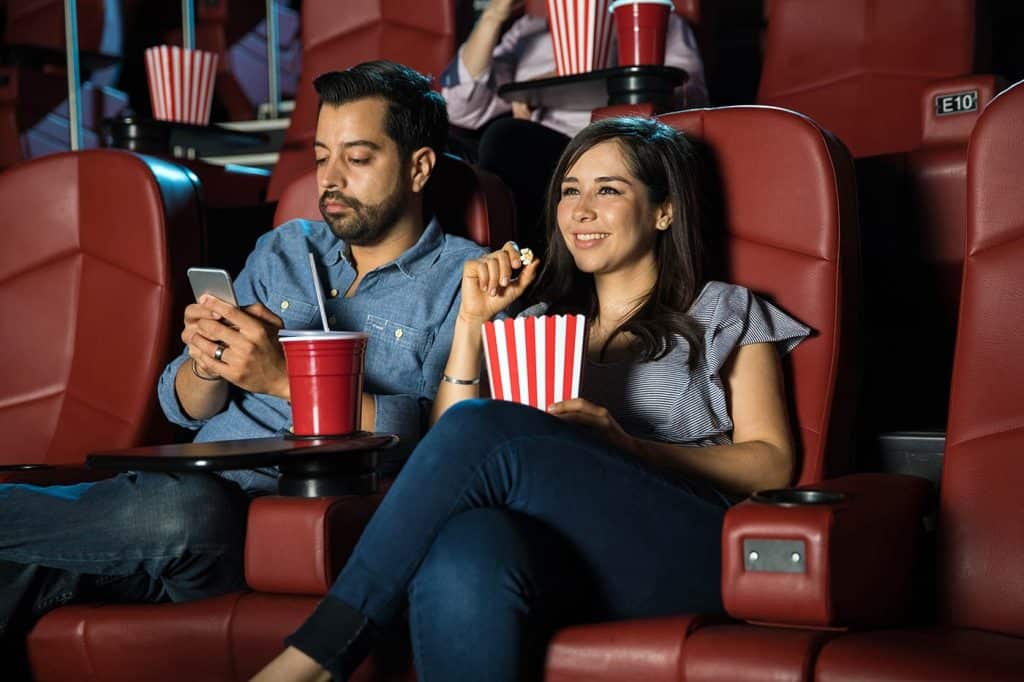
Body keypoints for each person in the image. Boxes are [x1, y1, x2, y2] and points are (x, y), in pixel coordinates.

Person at [254, 115, 810, 682]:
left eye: (608, 190)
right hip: (572, 558)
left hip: (689, 550)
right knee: (466, 548)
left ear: (664, 210)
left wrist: (631, 448)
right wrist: (472, 324)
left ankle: (315, 659)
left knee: (486, 431)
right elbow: (451, 454)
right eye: (570, 190)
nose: (581, 210)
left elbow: (772, 462)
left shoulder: (722, 311)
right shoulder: (539, 328)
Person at [0, 60, 486, 668]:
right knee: (22, 575)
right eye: (320, 156)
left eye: (357, 159)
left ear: (418, 167)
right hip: (158, 505)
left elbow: (437, 440)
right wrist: (205, 363)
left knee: (187, 510)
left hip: (248, 518)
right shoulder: (286, 246)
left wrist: (277, 379)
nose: (330, 179)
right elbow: (184, 406)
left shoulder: (466, 283)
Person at [442, 0, 708, 245]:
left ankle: (536, 272)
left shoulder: (656, 18)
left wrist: (558, 79)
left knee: (507, 137)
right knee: (440, 143)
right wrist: (493, 15)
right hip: (533, 143)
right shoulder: (528, 29)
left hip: (604, 141)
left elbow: (688, 96)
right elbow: (459, 108)